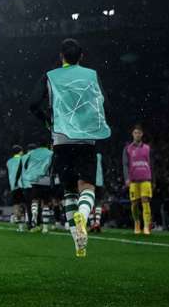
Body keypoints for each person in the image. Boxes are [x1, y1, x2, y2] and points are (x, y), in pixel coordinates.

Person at [29, 38, 110, 257]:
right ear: (81, 57)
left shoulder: (50, 76)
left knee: (69, 192)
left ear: (61, 56)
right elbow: (103, 103)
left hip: (61, 140)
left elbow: (33, 103)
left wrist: (48, 121)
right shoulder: (91, 75)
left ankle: (78, 243)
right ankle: (84, 215)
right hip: (86, 139)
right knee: (88, 187)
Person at [123, 124, 153, 235]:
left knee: (145, 201)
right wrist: (127, 178)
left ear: (142, 134)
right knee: (134, 203)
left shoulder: (147, 148)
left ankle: (146, 226)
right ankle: (137, 223)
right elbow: (125, 164)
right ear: (132, 134)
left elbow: (151, 164)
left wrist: (152, 179)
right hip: (133, 180)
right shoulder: (128, 148)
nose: (137, 135)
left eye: (139, 133)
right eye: (135, 133)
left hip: (145, 178)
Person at [21, 141, 54, 233]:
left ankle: (34, 220)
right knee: (45, 203)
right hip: (46, 180)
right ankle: (45, 228)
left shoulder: (32, 153)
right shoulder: (51, 153)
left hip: (33, 180)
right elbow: (52, 166)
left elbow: (26, 165)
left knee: (34, 200)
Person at [6, 145, 26, 231]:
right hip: (23, 184)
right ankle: (28, 222)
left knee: (16, 205)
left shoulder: (9, 162)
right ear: (20, 151)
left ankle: (20, 226)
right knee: (25, 204)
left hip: (13, 186)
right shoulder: (23, 159)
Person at [89, 151, 104, 233]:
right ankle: (97, 222)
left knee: (89, 201)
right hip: (99, 180)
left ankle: (92, 223)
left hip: (89, 181)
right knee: (98, 202)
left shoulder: (86, 154)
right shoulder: (99, 155)